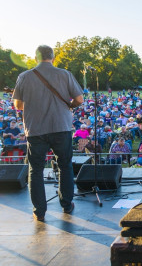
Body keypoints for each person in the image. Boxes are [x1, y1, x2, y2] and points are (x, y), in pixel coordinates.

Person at [12, 45, 84, 221]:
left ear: (36, 57)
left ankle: (40, 211)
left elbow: (17, 105)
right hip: (61, 126)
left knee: (35, 170)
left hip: (35, 129)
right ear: (53, 57)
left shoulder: (24, 76)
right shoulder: (65, 74)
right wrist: (69, 106)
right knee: (65, 166)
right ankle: (67, 205)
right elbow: (79, 99)